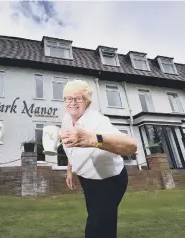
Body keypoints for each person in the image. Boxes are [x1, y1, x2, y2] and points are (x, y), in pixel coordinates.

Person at [60, 79, 137, 238]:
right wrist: (70, 170)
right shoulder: (67, 119)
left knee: (98, 228)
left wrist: (95, 139)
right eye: (68, 98)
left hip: (108, 181)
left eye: (78, 98)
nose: (72, 102)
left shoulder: (98, 122)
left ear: (86, 100)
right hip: (87, 179)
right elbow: (71, 146)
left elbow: (131, 146)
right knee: (96, 217)